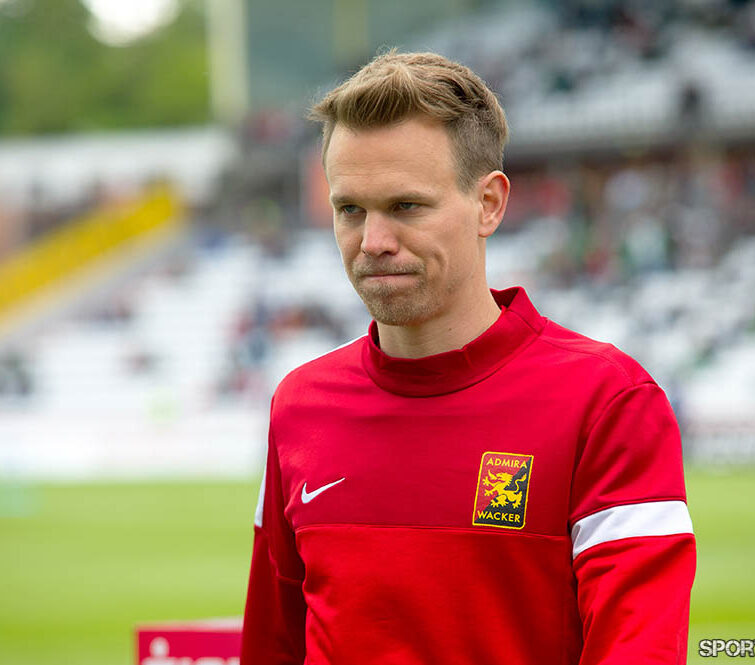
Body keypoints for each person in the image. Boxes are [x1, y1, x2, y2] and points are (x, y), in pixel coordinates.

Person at [241, 51, 696, 665]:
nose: (373, 242)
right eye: (350, 209)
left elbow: (638, 650)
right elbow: (272, 646)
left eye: (406, 206)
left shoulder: (607, 401)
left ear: (489, 204)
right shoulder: (299, 404)